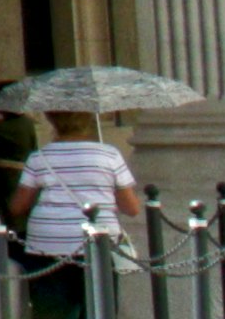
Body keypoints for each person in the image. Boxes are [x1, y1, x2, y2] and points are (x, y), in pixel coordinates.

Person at [22, 114, 142, 317]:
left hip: (47, 243)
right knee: (99, 308)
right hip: (98, 243)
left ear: (53, 123)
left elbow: (19, 205)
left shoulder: (38, 157)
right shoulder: (109, 155)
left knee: (52, 311)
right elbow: (131, 208)